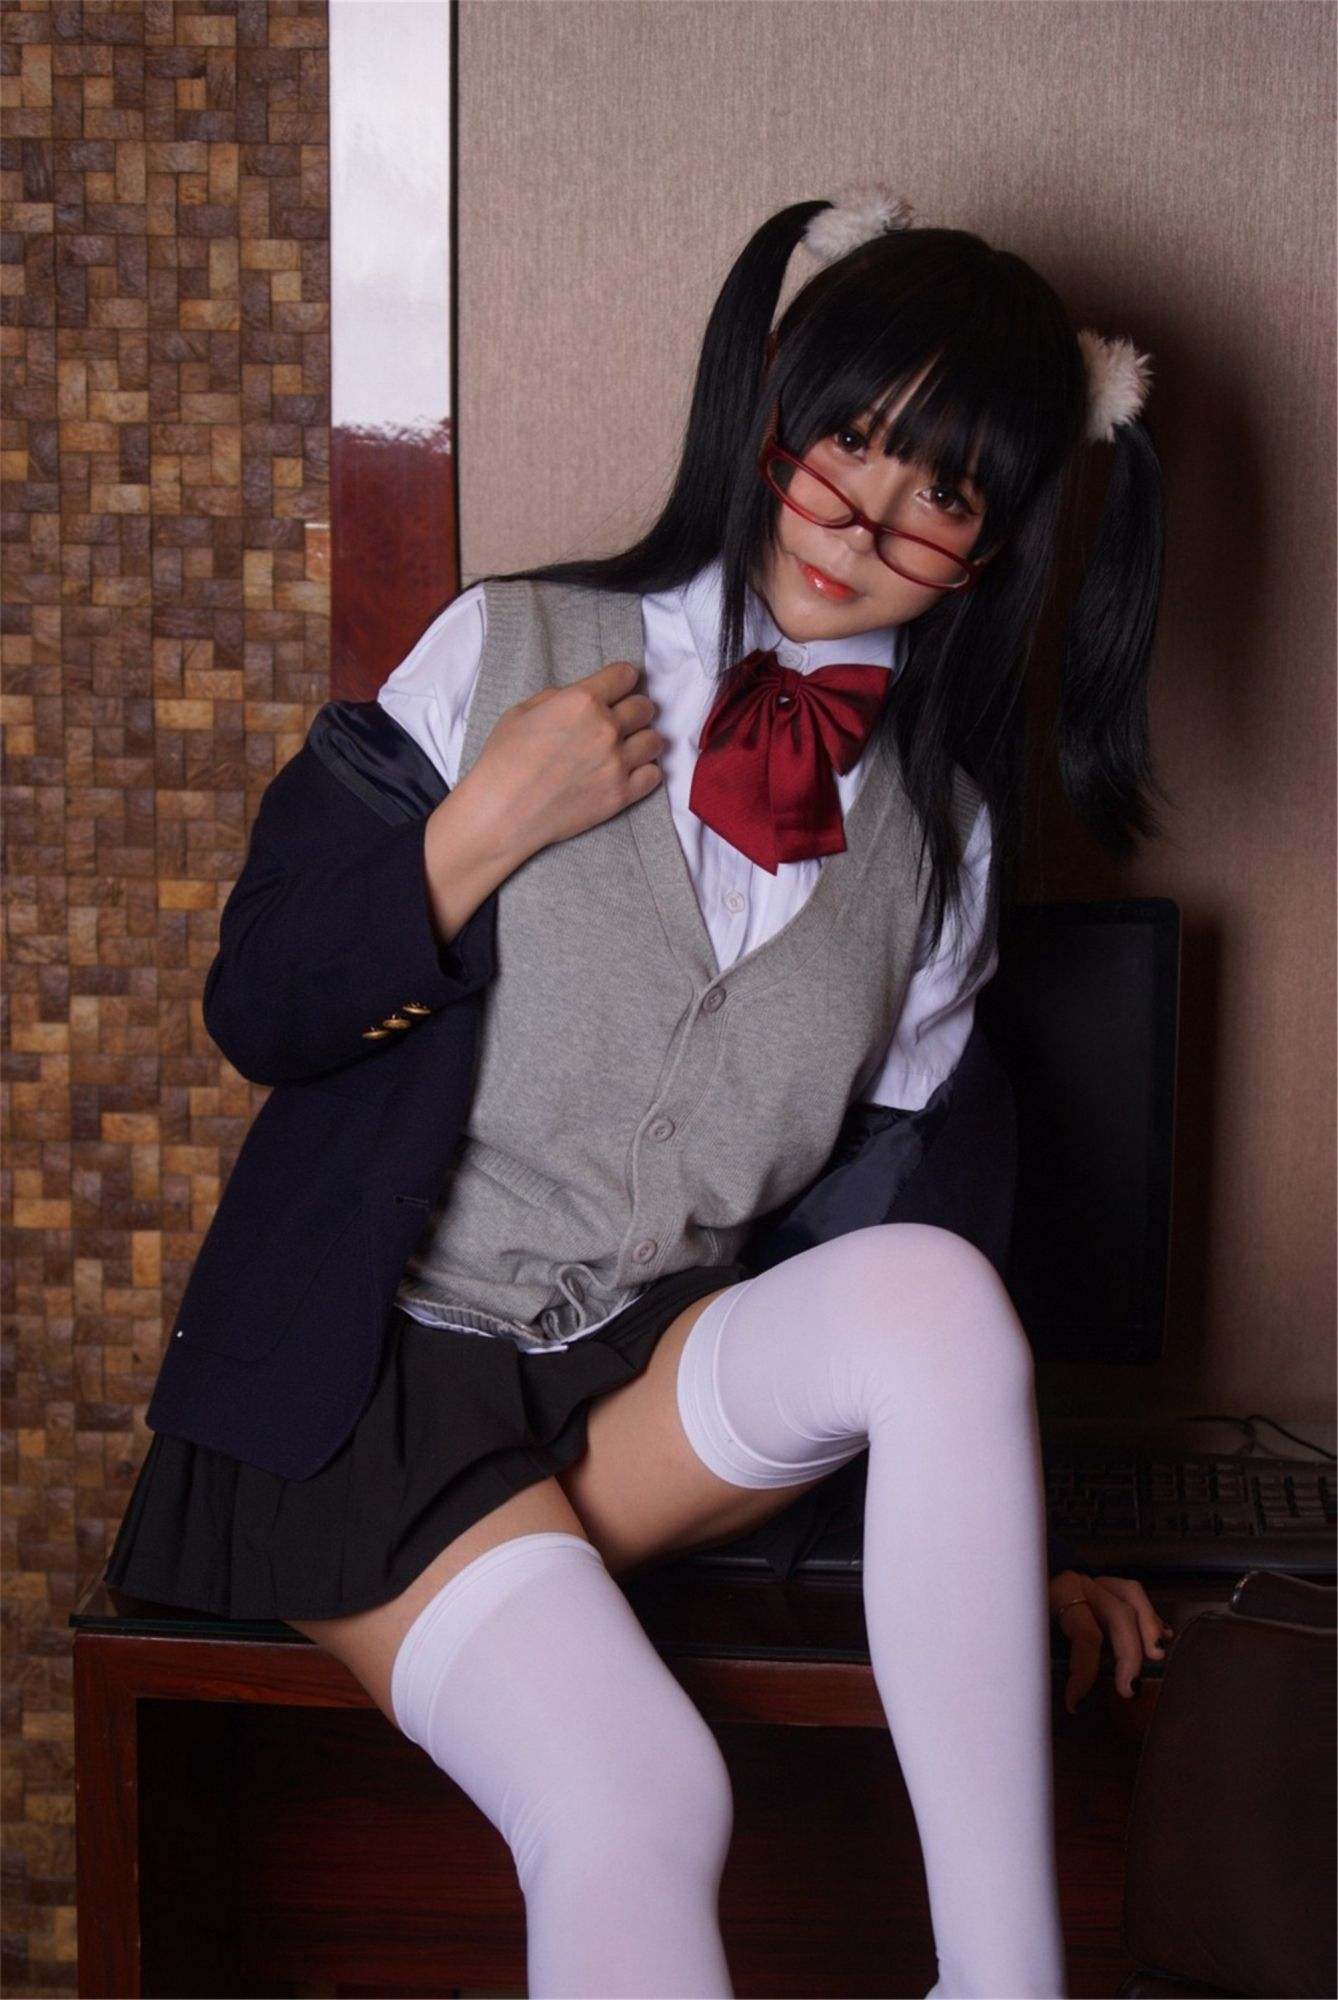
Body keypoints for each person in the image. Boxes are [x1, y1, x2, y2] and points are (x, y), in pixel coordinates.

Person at [106, 186, 1176, 1998]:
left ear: (992, 547)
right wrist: (476, 830)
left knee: (931, 1286)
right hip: (369, 1394)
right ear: (774, 415)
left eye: (942, 493)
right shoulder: (506, 645)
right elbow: (261, 1004)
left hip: (631, 1388)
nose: (863, 518)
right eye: (851, 438)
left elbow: (891, 1220)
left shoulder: (946, 841)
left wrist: (1006, 1552)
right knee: (638, 1794)